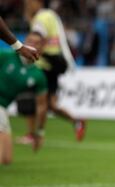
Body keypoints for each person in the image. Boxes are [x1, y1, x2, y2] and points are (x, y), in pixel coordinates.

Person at [19, 0, 86, 143]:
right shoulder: (51, 15)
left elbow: (37, 38)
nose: (27, 6)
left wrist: (28, 54)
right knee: (51, 105)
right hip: (54, 65)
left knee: (31, 97)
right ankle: (77, 121)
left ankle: (32, 134)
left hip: (43, 65)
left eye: (29, 3)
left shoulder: (40, 18)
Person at [0, 32, 48, 164]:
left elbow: (42, 106)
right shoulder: (6, 56)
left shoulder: (38, 75)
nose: (32, 44)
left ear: (42, 47)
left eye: (36, 42)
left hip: (3, 108)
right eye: (30, 41)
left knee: (6, 159)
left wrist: (40, 132)